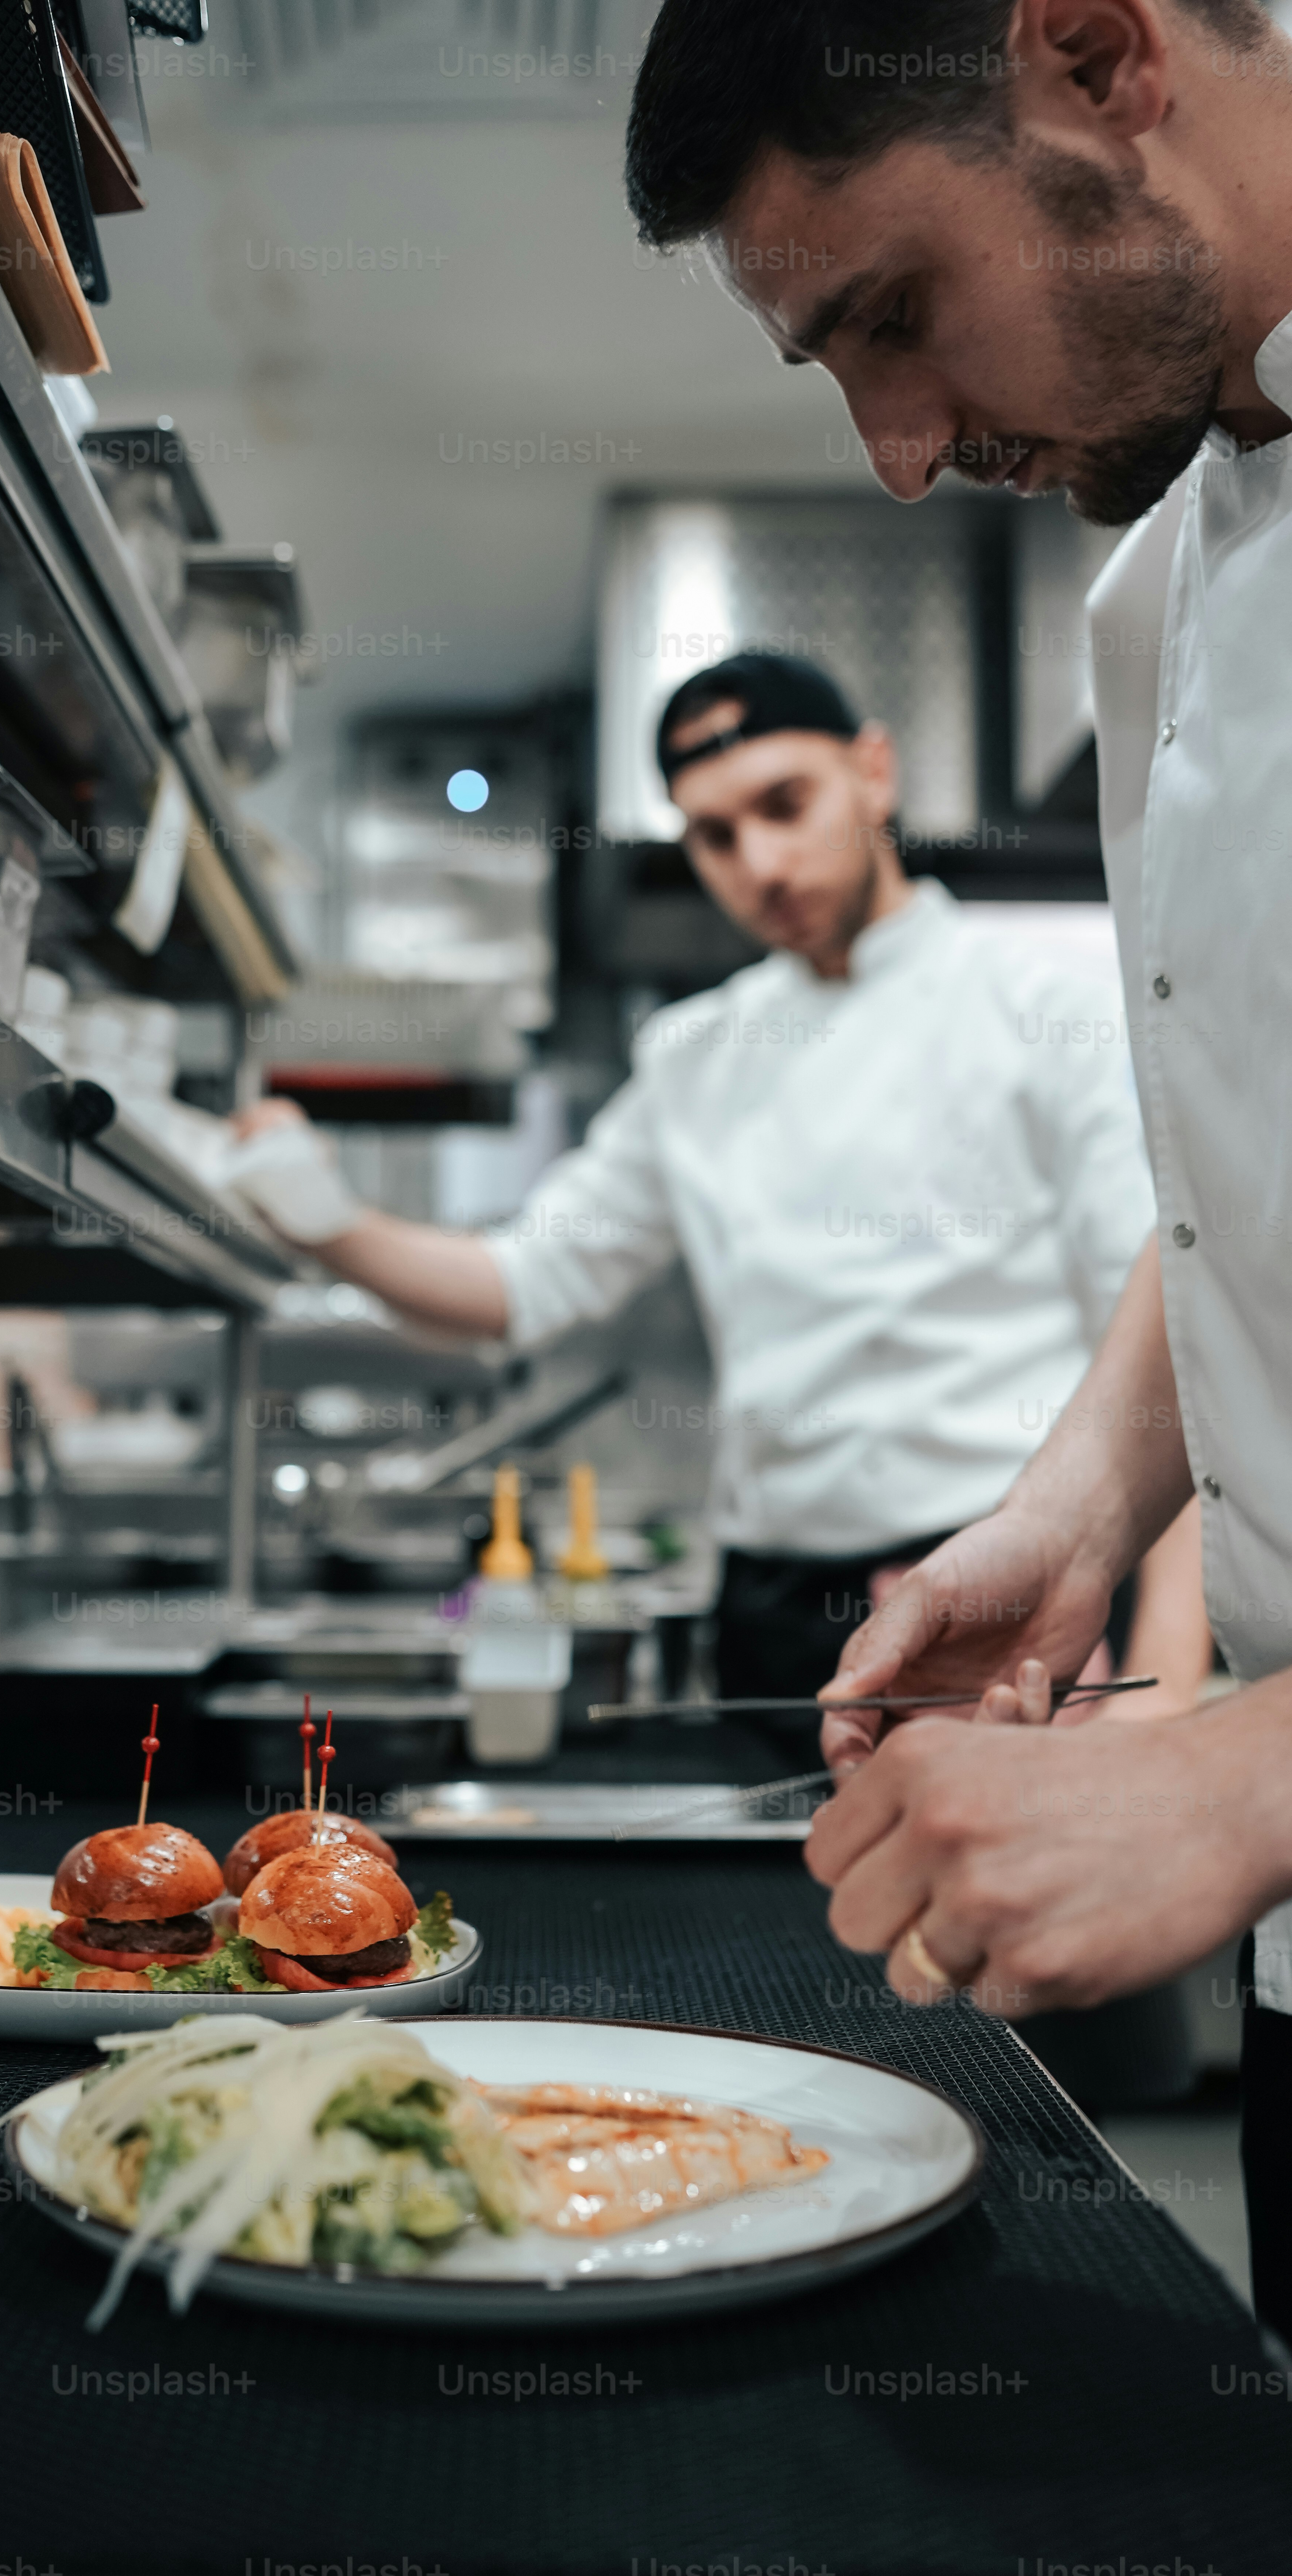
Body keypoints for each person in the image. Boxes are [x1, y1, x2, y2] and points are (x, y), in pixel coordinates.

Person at [622, 0, 1292, 2331]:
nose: (899, 457)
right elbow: (1245, 1166)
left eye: (891, 319)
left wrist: (1247, 1766)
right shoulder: (1165, 588)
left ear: (1102, 57)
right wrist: (1084, 1510)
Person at [225, 648, 1209, 1754]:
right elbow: (524, 1282)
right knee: (769, 1920)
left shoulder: (1046, 1005)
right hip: (772, 1609)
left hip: (1006, 1581)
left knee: (1006, 1925)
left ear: (874, 772)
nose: (763, 863)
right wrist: (326, 1222)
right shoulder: (695, 1055)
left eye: (786, 805)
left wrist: (1170, 1685)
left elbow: (1171, 1331)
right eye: (715, 836)